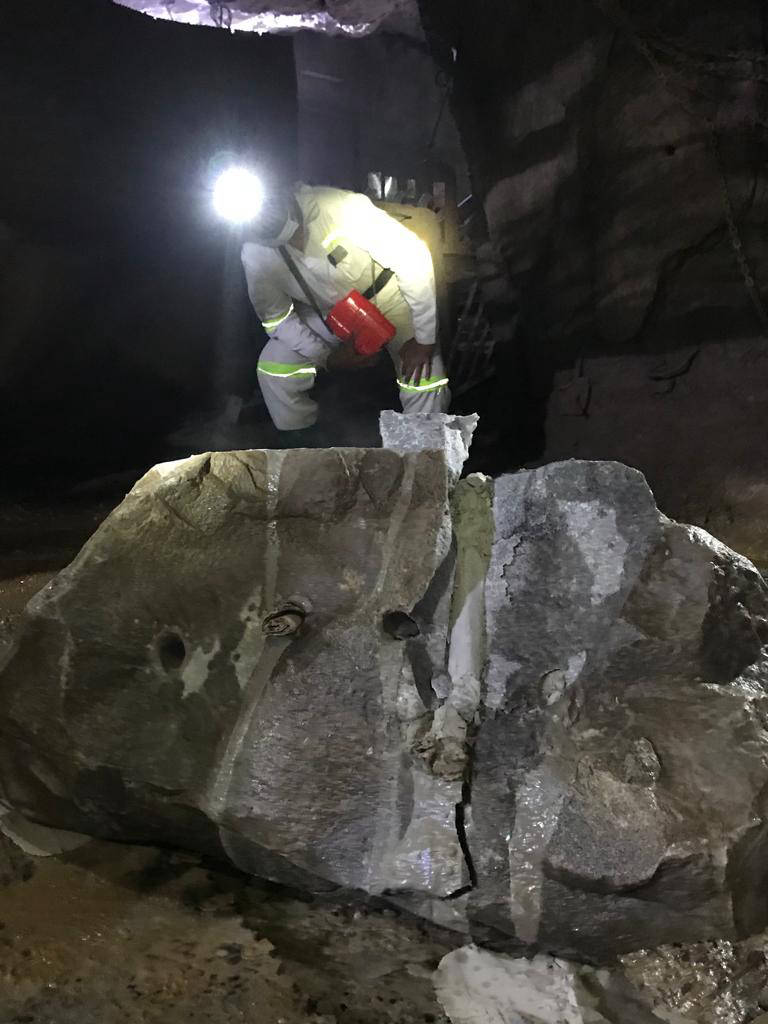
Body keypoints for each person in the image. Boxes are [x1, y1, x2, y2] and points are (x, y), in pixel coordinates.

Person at [239, 183, 450, 435]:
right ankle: (303, 445)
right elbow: (277, 319)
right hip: (332, 315)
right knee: (274, 367)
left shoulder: (337, 206)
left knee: (426, 375)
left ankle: (422, 451)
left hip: (391, 297)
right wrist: (326, 357)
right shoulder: (255, 255)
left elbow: (411, 257)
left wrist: (424, 341)